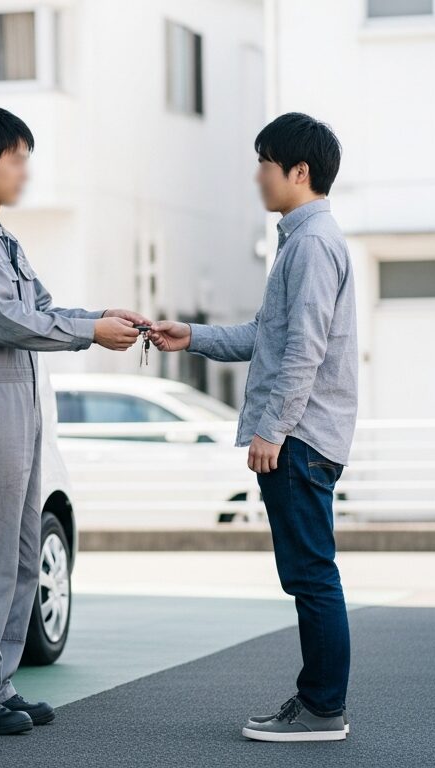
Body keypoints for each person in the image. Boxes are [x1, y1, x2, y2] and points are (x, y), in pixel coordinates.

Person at [0, 106, 149, 735]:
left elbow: (42, 308)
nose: (25, 172)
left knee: (21, 553)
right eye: (17, 158)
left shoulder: (0, 235)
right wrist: (89, 334)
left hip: (19, 399)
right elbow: (5, 321)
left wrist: (103, 316)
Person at [150, 112, 356, 742]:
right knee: (310, 572)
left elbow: (304, 351)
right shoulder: (300, 240)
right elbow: (266, 337)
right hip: (302, 432)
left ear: (300, 172)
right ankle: (318, 702)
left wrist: (272, 430)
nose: (257, 174)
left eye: (265, 162)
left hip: (301, 436)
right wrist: (193, 337)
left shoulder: (314, 244)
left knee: (311, 574)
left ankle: (322, 709)